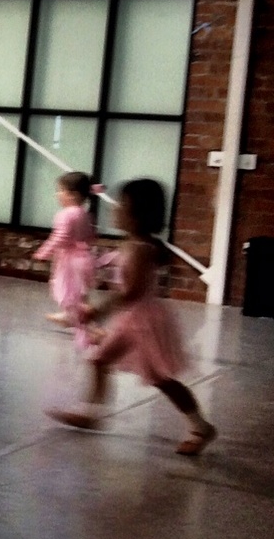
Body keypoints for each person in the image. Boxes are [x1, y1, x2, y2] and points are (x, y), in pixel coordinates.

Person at [46, 179, 217, 456]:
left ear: (138, 212)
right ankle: (91, 413)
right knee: (99, 360)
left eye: (122, 205)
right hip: (133, 319)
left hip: (144, 322)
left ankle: (201, 427)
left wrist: (96, 311)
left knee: (162, 379)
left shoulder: (141, 248)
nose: (116, 211)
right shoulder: (135, 244)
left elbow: (132, 293)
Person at [35, 171, 98, 328]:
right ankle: (82, 313)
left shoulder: (65, 214)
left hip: (69, 259)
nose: (58, 194)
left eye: (60, 190)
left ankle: (71, 315)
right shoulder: (86, 214)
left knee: (65, 287)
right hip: (85, 257)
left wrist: (44, 252)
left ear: (73, 195)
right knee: (80, 289)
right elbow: (91, 235)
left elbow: (60, 237)